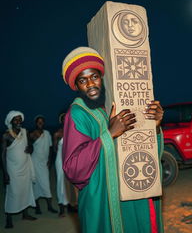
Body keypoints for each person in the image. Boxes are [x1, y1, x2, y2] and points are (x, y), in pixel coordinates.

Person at [62, 47, 164, 233]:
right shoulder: (77, 114)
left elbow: (135, 145)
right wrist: (109, 134)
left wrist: (154, 126)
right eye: (83, 80)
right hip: (103, 200)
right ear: (76, 85)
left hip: (128, 190)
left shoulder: (107, 106)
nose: (91, 84)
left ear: (102, 78)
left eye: (94, 77)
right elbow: (73, 168)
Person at [1, 111, 37, 228]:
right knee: (13, 193)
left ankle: (25, 214)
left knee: (25, 190)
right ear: (10, 121)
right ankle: (9, 217)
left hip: (25, 167)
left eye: (19, 119)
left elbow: (30, 145)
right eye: (15, 120)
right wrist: (5, 173)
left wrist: (31, 148)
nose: (18, 122)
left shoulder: (25, 132)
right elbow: (2, 155)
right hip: (13, 170)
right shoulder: (6, 135)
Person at [30, 115, 57, 214]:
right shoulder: (32, 134)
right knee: (35, 184)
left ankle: (49, 206)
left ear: (44, 123)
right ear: (36, 123)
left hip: (44, 163)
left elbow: (50, 148)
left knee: (46, 184)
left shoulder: (47, 134)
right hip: (34, 162)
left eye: (42, 122)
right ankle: (37, 207)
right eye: (38, 122)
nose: (40, 123)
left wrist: (49, 161)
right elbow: (28, 147)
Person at [53, 113, 78, 217]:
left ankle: (71, 205)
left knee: (71, 182)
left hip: (71, 159)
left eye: (66, 118)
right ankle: (61, 208)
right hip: (60, 159)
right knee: (60, 182)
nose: (65, 120)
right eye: (63, 119)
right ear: (61, 121)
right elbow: (54, 149)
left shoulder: (74, 130)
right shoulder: (57, 133)